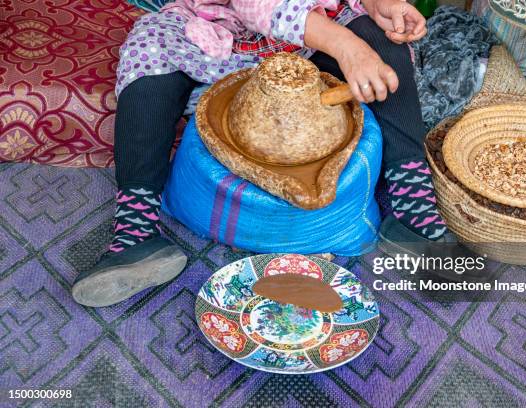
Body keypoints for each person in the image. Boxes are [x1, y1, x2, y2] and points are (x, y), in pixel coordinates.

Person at [71, 0, 447, 307]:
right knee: (148, 50)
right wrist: (349, 49)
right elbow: (256, 7)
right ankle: (135, 234)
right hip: (221, 33)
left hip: (313, 38)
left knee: (381, 42)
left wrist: (379, 4)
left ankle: (415, 214)